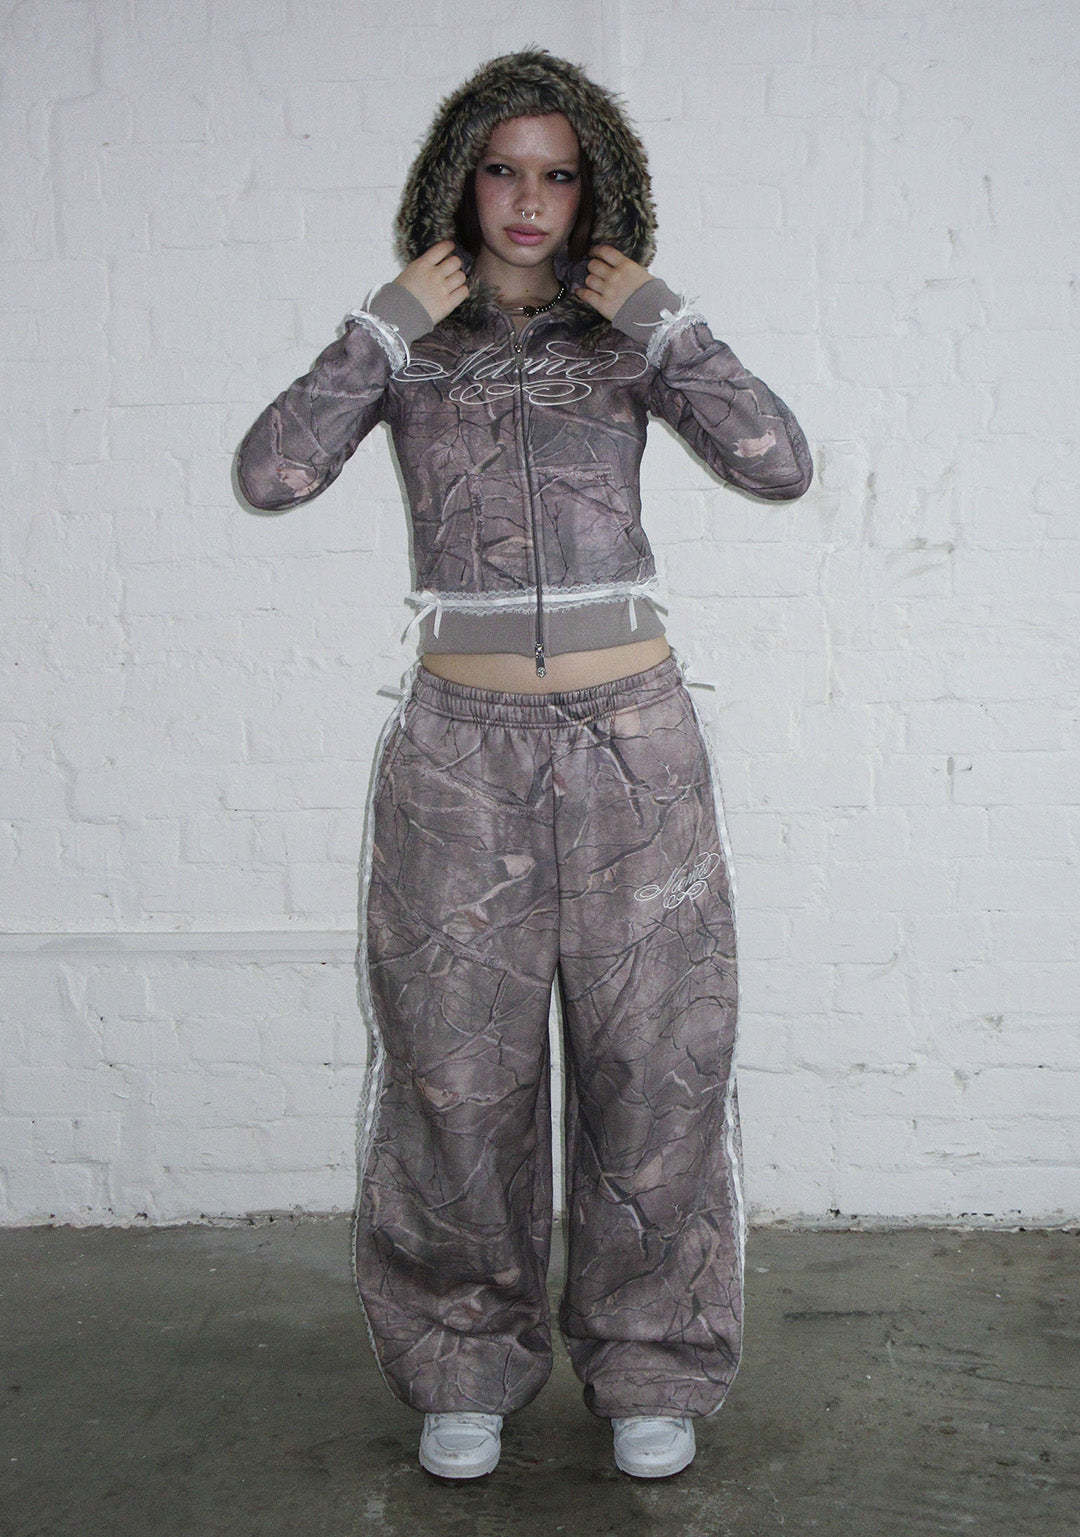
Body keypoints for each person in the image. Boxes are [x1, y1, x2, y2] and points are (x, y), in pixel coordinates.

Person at [236, 46, 813, 1483]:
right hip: (458, 759)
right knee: (454, 1074)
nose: (529, 199)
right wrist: (382, 325)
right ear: (462, 182)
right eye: (503, 169)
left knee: (657, 1065)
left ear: (594, 190)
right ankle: (461, 1361)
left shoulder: (623, 345)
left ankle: (652, 1365)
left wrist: (664, 319)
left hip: (634, 749)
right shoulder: (415, 351)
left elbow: (779, 461)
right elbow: (272, 472)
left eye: (557, 173)